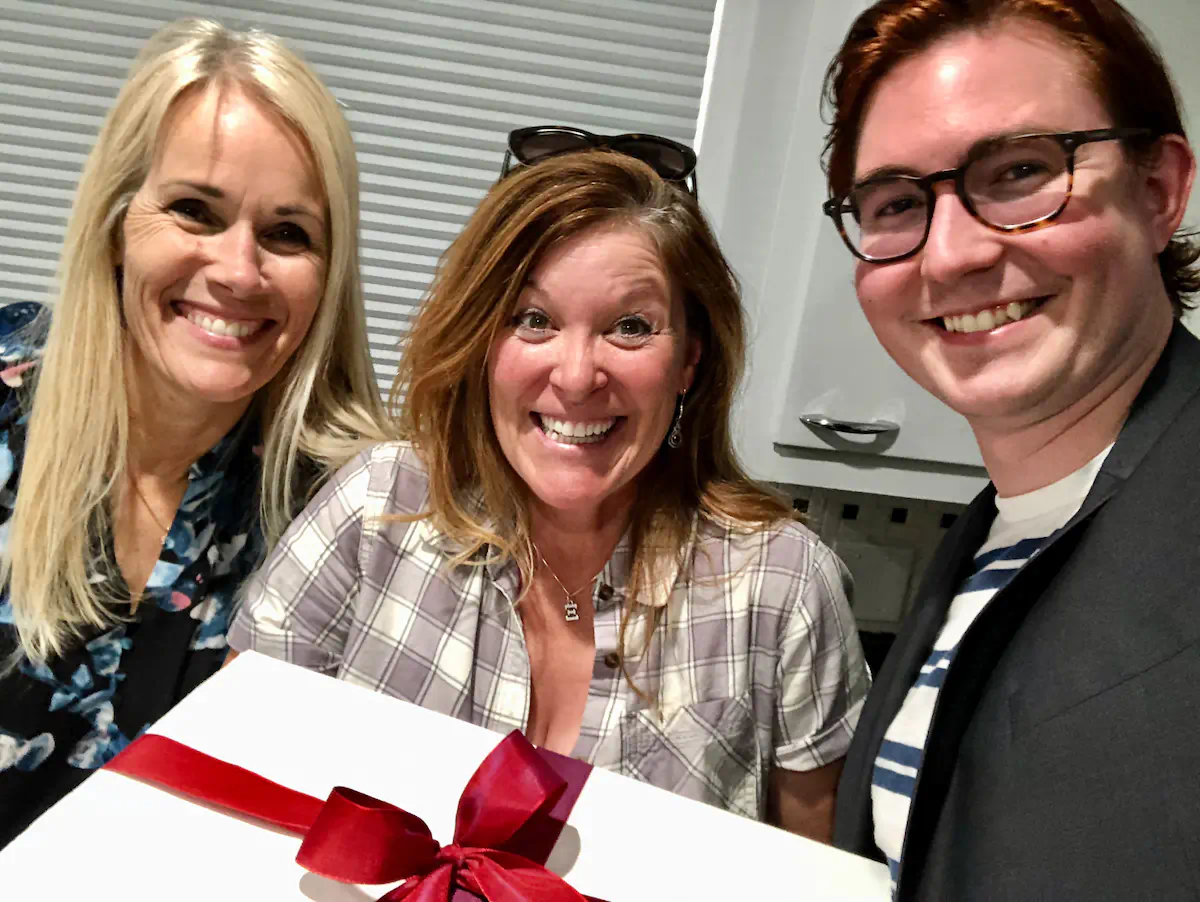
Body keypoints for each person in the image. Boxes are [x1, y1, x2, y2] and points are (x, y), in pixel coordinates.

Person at [229, 136, 871, 842]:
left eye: (631, 327)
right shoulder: (374, 509)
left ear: (689, 359)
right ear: (480, 340)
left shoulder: (782, 588)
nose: (574, 377)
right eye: (532, 319)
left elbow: (819, 876)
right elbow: (223, 779)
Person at [818, 0, 1199, 898]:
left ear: (1157, 191)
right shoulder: (994, 539)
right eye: (898, 202)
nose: (949, 256)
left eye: (1021, 171)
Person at [0, 19, 395, 848]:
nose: (239, 271)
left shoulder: (358, 517)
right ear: (116, 223)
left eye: (289, 233)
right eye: (194, 210)